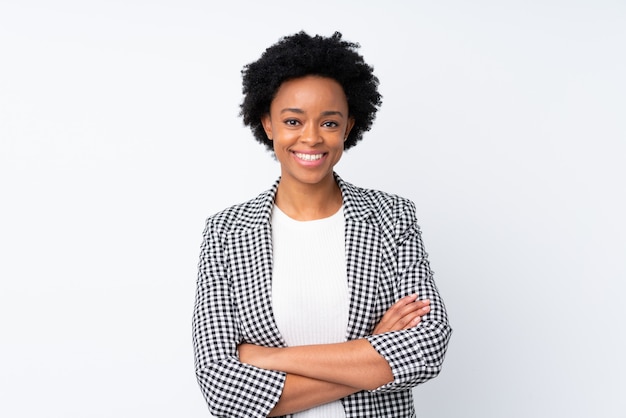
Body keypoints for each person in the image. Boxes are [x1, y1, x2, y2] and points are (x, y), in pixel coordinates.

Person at [192, 31, 452, 418]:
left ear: (348, 127)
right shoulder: (226, 231)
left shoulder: (392, 217)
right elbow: (223, 390)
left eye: (329, 123)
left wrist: (264, 359)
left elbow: (426, 349)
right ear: (268, 124)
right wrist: (373, 348)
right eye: (293, 120)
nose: (311, 138)